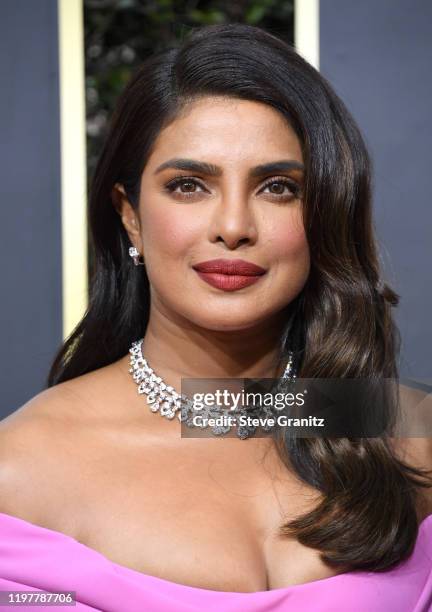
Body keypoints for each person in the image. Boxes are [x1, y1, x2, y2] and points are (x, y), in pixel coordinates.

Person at [0, 23, 431, 612]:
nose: (233, 225)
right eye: (188, 185)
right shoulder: (18, 471)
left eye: (278, 187)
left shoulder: (403, 433)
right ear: (130, 217)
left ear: (326, 210)